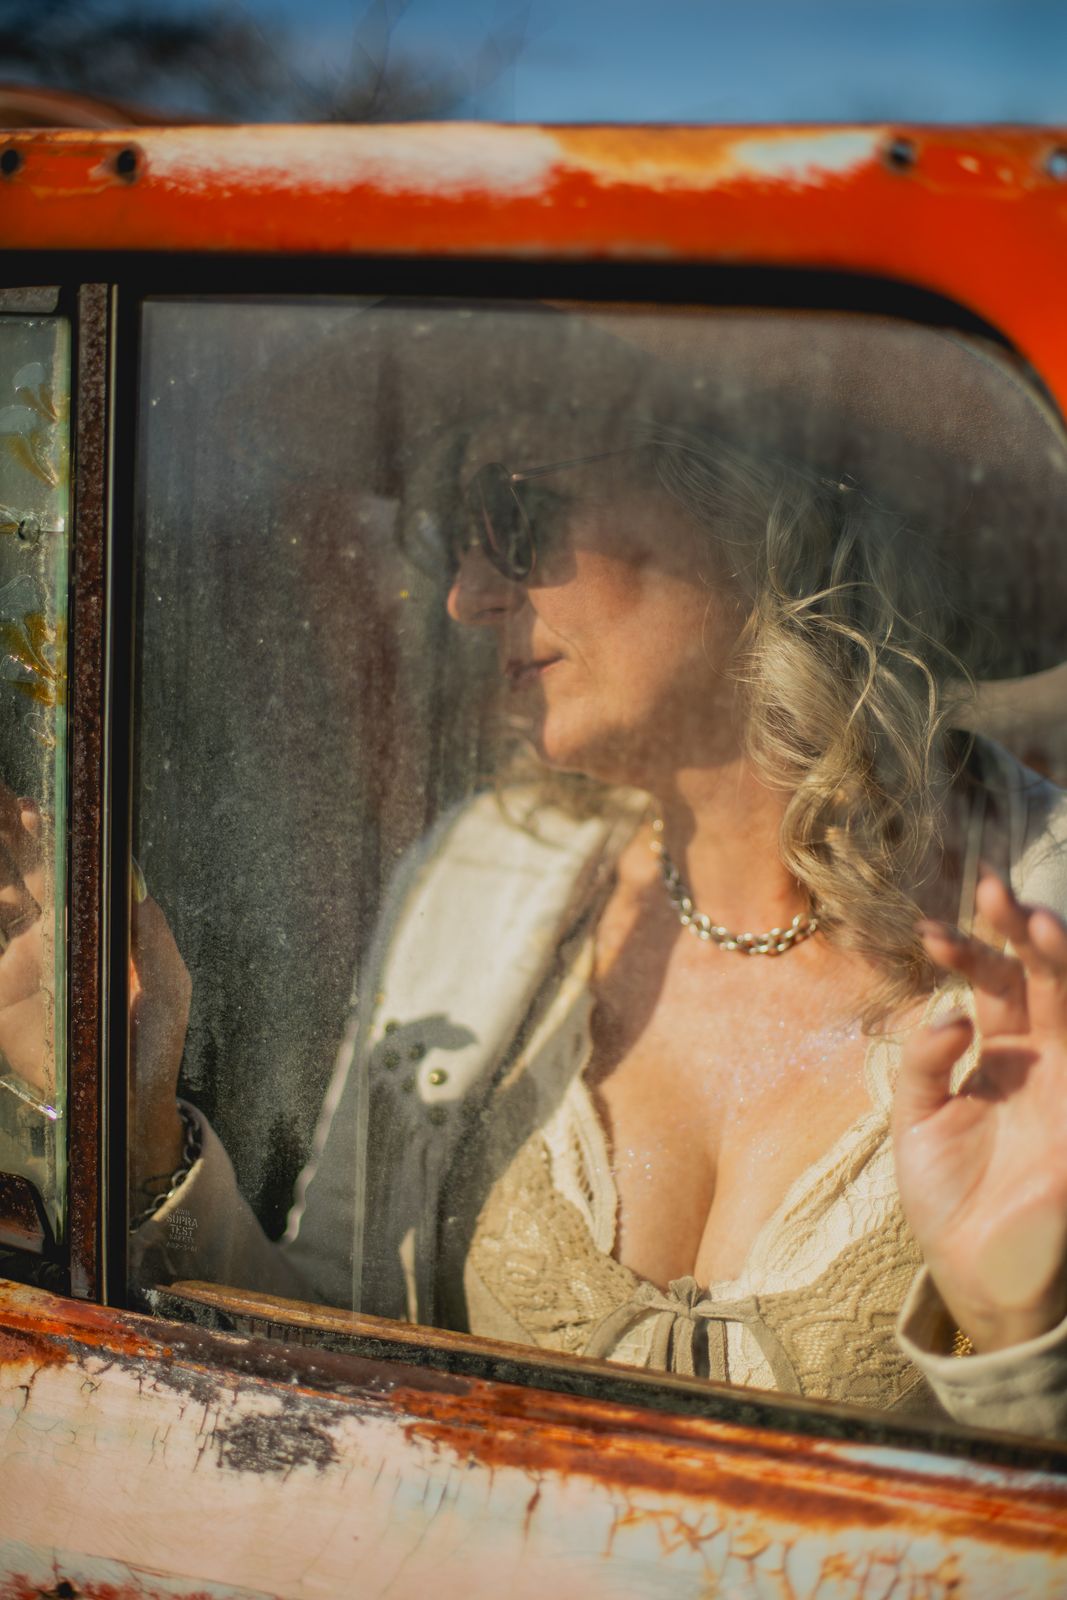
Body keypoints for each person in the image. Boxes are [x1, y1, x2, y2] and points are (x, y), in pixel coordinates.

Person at [8, 304, 1067, 1433]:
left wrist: (1010, 1330)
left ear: (754, 507)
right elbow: (334, 1352)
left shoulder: (1043, 927)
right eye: (453, 537)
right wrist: (141, 1137)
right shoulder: (486, 877)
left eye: (515, 515)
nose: (467, 596)